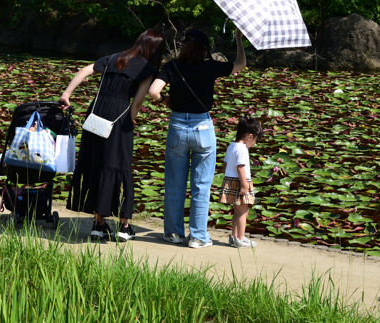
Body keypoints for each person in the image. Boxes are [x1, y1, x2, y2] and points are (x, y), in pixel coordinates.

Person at [58, 30, 165, 242]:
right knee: (119, 165)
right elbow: (136, 104)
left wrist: (66, 94)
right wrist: (131, 121)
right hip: (118, 116)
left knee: (97, 164)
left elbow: (85, 70)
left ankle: (99, 225)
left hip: (96, 113)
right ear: (155, 50)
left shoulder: (115, 57)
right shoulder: (149, 69)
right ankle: (124, 226)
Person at [148, 28, 246, 248]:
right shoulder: (210, 66)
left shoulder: (172, 66)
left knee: (174, 183)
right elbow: (240, 65)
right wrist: (239, 39)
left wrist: (166, 100)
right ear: (204, 49)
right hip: (203, 127)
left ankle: (173, 233)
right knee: (201, 185)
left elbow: (153, 92)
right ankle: (198, 236)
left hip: (177, 127)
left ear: (184, 46)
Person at [220, 116, 262, 248]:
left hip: (230, 179)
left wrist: (228, 178)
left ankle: (233, 237)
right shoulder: (243, 149)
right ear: (250, 136)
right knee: (243, 212)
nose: (254, 143)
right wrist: (244, 185)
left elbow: (225, 164)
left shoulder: (231, 146)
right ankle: (241, 238)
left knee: (237, 211)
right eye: (255, 140)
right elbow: (241, 167)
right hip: (240, 181)